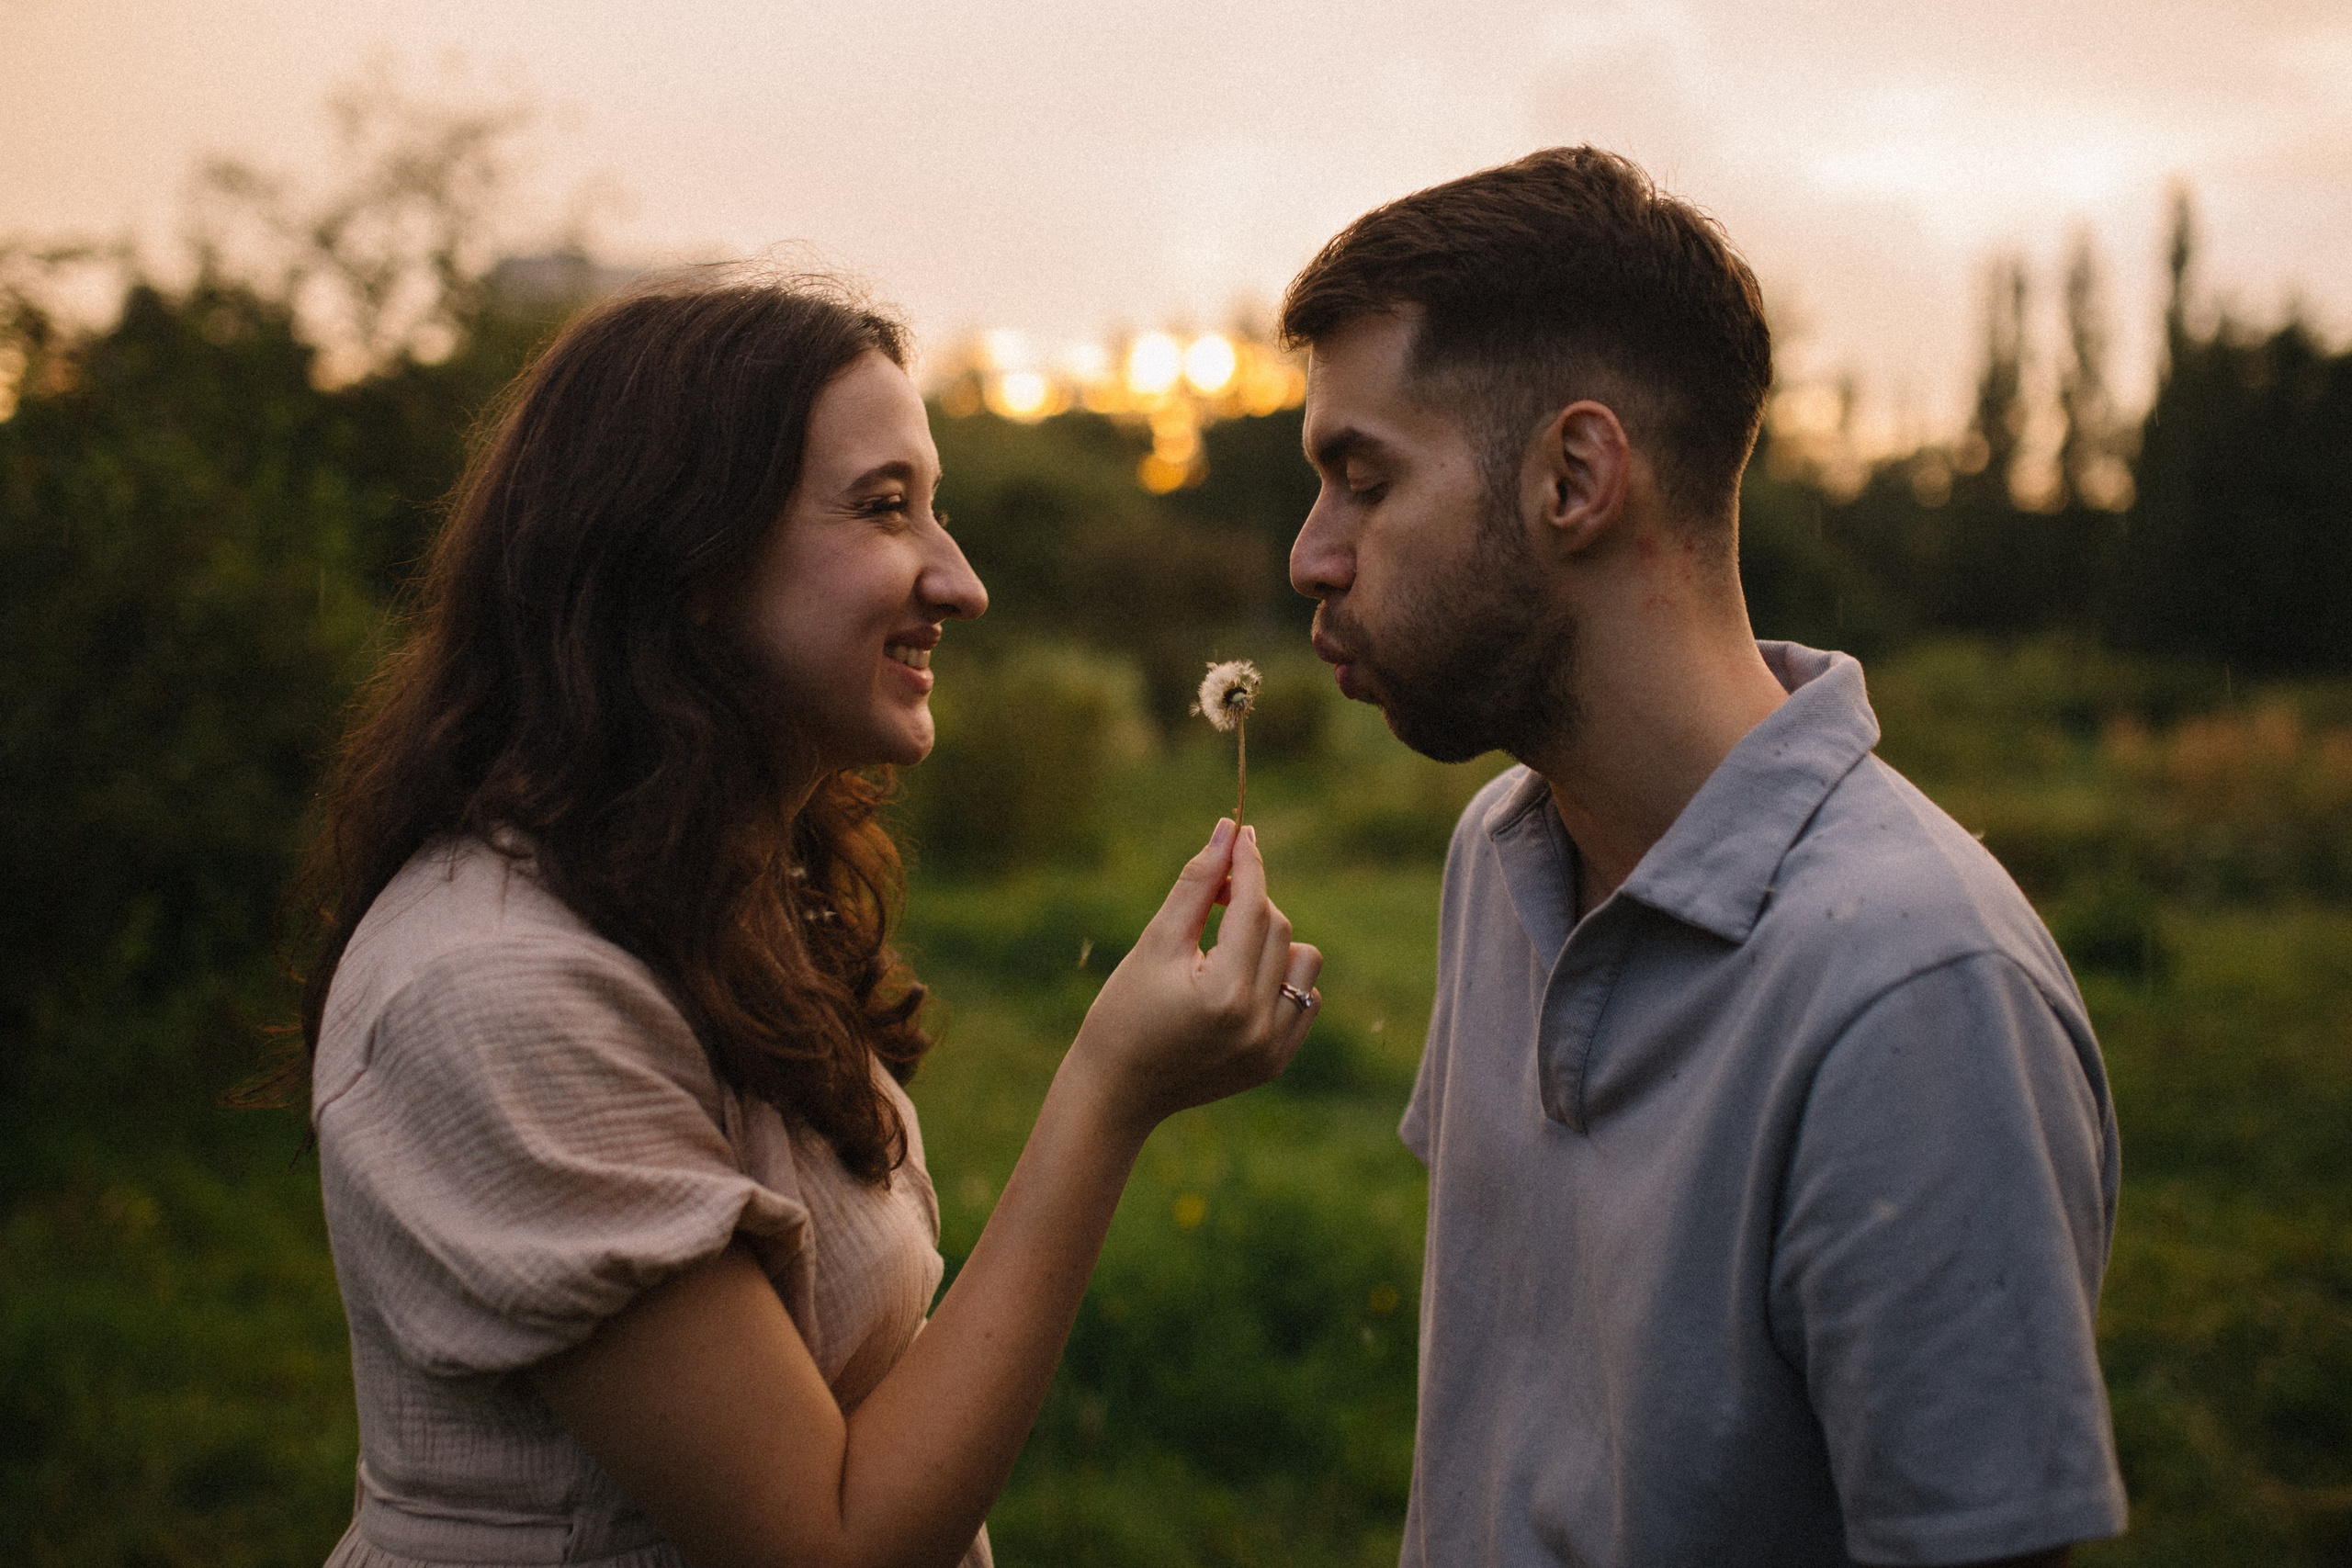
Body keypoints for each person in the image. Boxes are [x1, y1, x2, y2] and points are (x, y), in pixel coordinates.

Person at [295, 268, 1323, 1568]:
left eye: (934, 509)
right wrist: (1110, 1091)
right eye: (886, 508)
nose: (961, 581)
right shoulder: (497, 989)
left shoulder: (700, 894)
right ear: (686, 565)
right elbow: (827, 1545)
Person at [1280, 149, 2127, 1567]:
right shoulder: (1502, 856)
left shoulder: (1914, 991)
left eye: (1362, 481)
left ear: (1575, 476)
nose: (1311, 555)